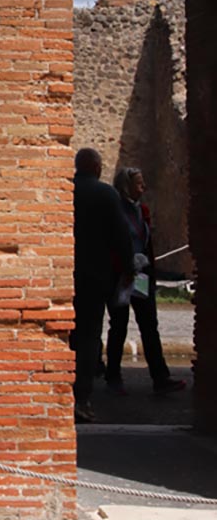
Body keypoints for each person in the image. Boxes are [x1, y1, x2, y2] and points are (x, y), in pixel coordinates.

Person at [105, 167, 186, 396]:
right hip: (120, 277)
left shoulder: (143, 210)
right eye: (139, 184)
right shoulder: (115, 211)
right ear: (126, 186)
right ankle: (113, 377)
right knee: (118, 327)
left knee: (150, 327)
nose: (144, 187)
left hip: (141, 276)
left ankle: (160, 377)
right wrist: (123, 267)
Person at [72, 147, 133, 423]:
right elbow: (121, 236)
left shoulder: (67, 191)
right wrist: (129, 269)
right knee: (89, 337)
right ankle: (81, 398)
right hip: (96, 278)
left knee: (69, 337)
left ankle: (59, 393)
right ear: (97, 168)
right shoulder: (106, 194)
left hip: (66, 275)